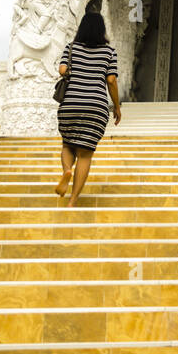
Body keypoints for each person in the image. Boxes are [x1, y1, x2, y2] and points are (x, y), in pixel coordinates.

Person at [55, 12, 120, 208]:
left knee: (67, 144)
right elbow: (111, 80)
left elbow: (62, 70)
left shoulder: (71, 47)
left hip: (71, 103)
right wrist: (116, 106)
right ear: (102, 29)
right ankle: (72, 201)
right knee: (85, 153)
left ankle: (67, 170)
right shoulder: (109, 52)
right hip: (95, 106)